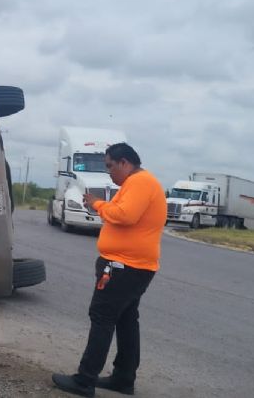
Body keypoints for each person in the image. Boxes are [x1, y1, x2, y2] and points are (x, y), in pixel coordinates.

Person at [52, 142, 167, 397]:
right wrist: (107, 209)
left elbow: (124, 215)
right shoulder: (135, 184)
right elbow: (120, 215)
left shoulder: (140, 182)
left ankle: (85, 380)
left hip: (124, 265)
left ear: (125, 162)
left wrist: (97, 204)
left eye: (110, 166)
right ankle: (123, 378)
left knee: (102, 317)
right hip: (132, 264)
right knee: (126, 320)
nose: (108, 173)